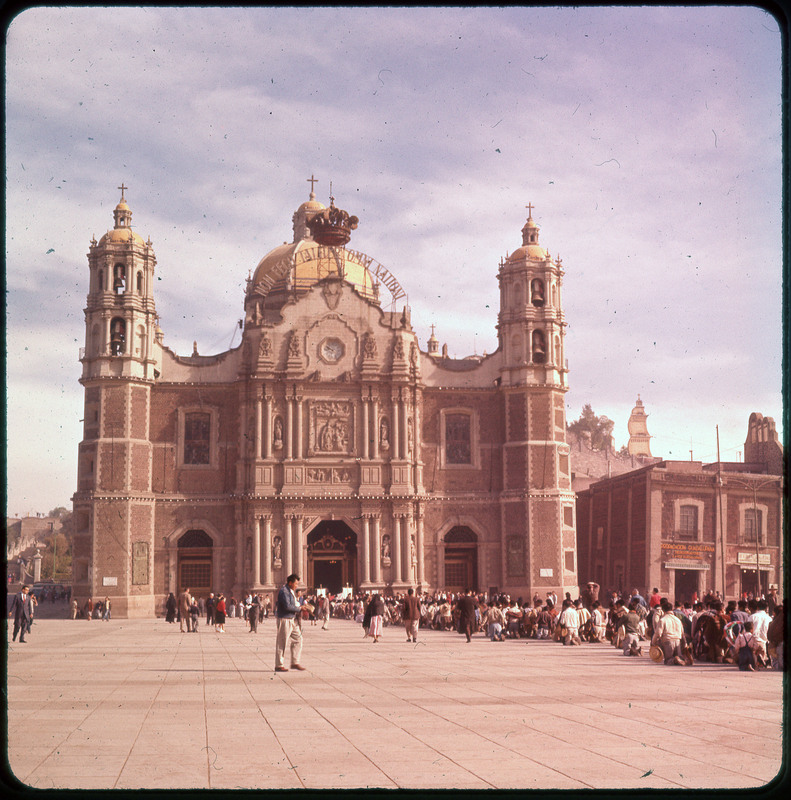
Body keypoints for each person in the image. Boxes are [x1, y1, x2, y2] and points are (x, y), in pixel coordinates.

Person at [275, 574, 305, 672]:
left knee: (298, 638)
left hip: (291, 619)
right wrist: (299, 609)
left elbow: (294, 604)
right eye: (296, 583)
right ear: (290, 583)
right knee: (282, 642)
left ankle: (295, 662)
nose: (297, 586)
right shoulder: (284, 592)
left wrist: (301, 607)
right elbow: (287, 606)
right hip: (284, 619)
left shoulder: (290, 591)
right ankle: (279, 665)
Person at [651, 600, 686, 665]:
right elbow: (682, 633)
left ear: (663, 610)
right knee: (679, 657)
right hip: (678, 640)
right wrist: (684, 644)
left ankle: (674, 660)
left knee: (668, 660)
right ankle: (679, 659)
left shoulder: (662, 620)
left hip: (668, 642)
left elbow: (658, 634)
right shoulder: (677, 620)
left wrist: (653, 642)